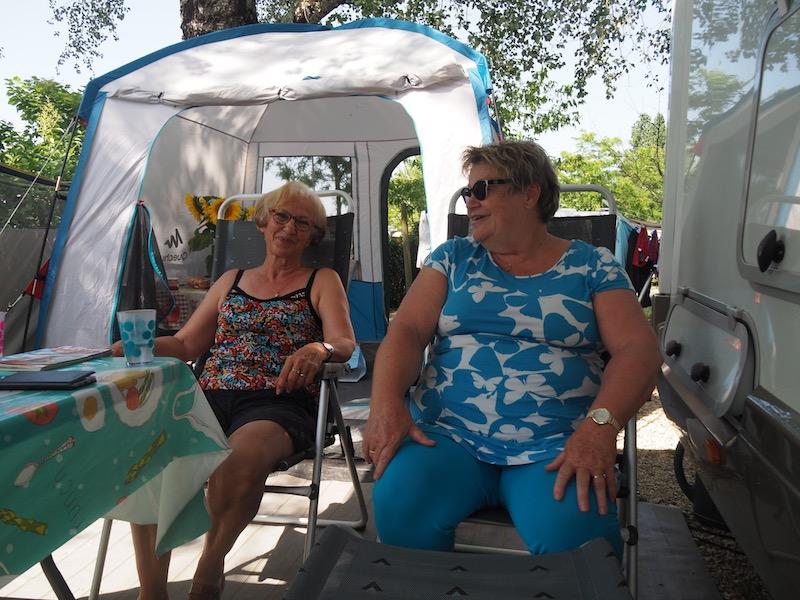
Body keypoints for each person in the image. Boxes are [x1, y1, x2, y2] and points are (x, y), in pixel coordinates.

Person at [362, 140, 661, 556]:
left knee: (579, 538)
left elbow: (638, 351)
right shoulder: (454, 257)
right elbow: (409, 330)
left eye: (482, 190)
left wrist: (600, 428)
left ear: (529, 192)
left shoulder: (592, 266)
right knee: (399, 501)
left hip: (557, 443)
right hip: (448, 436)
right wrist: (386, 402)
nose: (470, 202)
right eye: (468, 192)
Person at [112, 181, 355, 600]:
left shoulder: (321, 279)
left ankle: (209, 565)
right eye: (281, 216)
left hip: (277, 398)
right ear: (263, 222)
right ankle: (152, 593)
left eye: (303, 222)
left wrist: (319, 347)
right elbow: (188, 344)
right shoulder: (232, 279)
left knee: (238, 456)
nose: (289, 227)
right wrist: (138, 345)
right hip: (207, 394)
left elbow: (345, 343)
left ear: (313, 235)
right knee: (152, 458)